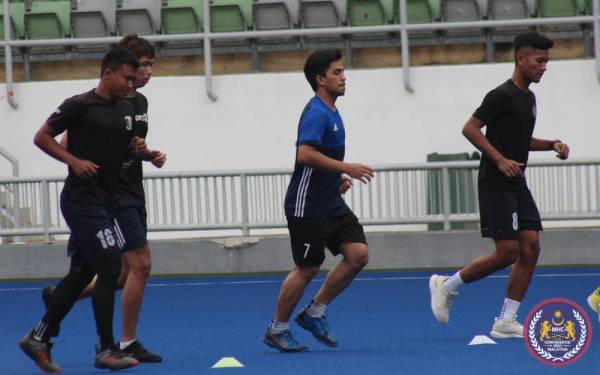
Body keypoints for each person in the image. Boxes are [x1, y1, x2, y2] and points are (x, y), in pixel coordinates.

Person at [428, 31, 570, 339]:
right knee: (507, 252)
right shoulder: (501, 95)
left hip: (517, 183)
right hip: (496, 182)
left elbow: (521, 140)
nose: (544, 67)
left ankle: (506, 320)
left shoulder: (529, 98)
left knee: (530, 248)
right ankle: (447, 286)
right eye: (540, 60)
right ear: (521, 59)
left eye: (547, 61)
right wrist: (499, 160)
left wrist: (552, 144)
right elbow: (470, 128)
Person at [43, 34, 165, 363]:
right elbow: (63, 141)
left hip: (128, 191)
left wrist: (147, 154)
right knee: (138, 265)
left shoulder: (137, 104)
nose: (147, 72)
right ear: (120, 69)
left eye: (151, 65)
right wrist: (78, 163)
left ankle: (58, 304)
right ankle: (120, 343)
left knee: (115, 273)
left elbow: (128, 144)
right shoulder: (92, 104)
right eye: (142, 66)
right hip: (109, 195)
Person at [18, 48, 142, 373]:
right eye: (127, 77)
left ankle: (39, 338)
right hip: (80, 200)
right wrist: (72, 160)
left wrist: (143, 152)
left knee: (82, 274)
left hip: (105, 200)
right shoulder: (79, 105)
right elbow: (42, 137)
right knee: (111, 264)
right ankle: (106, 348)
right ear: (108, 74)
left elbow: (123, 151)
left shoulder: (126, 109)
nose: (132, 83)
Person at [263, 49, 374, 352]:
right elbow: (305, 154)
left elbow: (322, 156)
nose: (343, 77)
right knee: (307, 267)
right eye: (337, 72)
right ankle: (277, 328)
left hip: (331, 203)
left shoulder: (332, 111)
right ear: (320, 79)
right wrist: (346, 167)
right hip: (308, 206)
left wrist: (335, 178)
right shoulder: (316, 113)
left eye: (343, 71)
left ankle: (315, 311)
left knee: (358, 255)